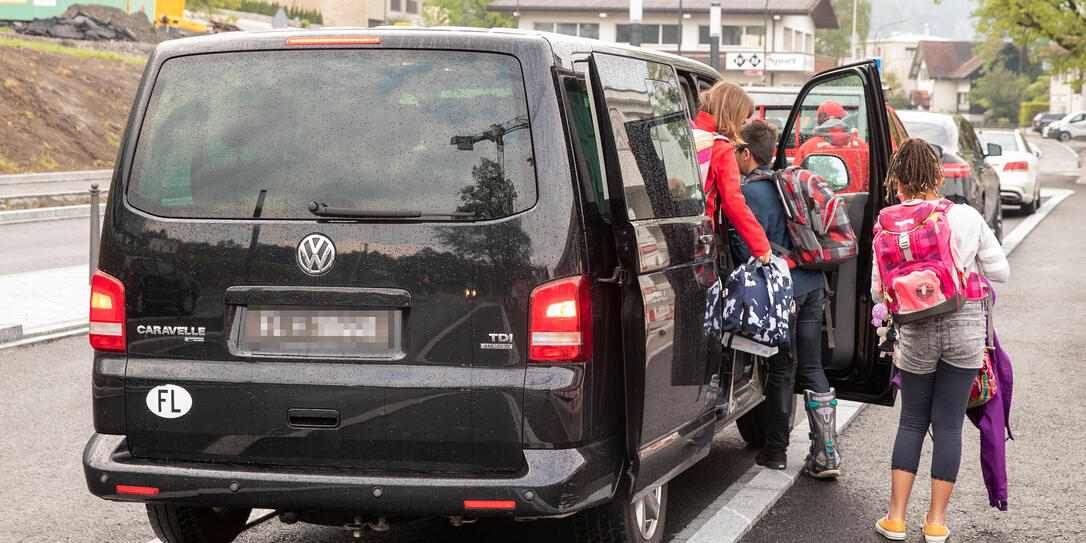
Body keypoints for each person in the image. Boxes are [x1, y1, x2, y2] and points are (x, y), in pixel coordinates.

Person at [873, 138, 1009, 543]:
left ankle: (895, 519)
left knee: (912, 420)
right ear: (937, 175)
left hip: (915, 328)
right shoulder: (965, 216)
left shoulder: (886, 222)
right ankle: (935, 523)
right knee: (948, 424)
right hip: (964, 324)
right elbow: (1001, 273)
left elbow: (880, 289)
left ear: (898, 180)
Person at [730, 119, 841, 477]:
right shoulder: (788, 184)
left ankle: (775, 450)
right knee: (811, 367)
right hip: (812, 286)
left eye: (736, 151)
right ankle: (827, 456)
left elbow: (741, 247)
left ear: (746, 153)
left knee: (781, 367)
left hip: (782, 292)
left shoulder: (748, 194)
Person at [693, 81, 771, 264]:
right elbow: (733, 202)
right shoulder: (720, 146)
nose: (741, 125)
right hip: (698, 237)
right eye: (741, 120)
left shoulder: (686, 132)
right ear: (733, 116)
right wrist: (760, 245)